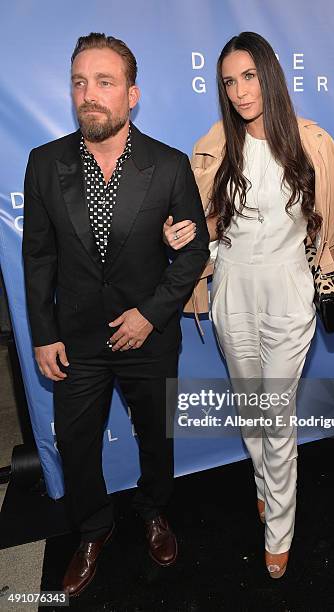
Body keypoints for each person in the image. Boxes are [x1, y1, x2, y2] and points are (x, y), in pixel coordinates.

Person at [164, 32, 334, 579]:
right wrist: (178, 234)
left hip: (289, 292)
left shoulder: (312, 143)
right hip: (232, 291)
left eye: (249, 76)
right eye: (229, 81)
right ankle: (264, 487)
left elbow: (331, 224)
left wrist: (328, 283)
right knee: (253, 412)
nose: (240, 91)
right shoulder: (213, 145)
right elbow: (197, 225)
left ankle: (280, 527)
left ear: (269, 75)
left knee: (276, 417)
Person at [22, 33, 209, 597]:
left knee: (156, 438)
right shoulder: (44, 163)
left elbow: (195, 251)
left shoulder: (170, 165)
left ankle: (154, 512)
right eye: (80, 82)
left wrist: (149, 315)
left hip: (148, 338)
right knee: (77, 446)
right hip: (75, 341)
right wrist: (44, 333)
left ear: (133, 94)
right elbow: (39, 256)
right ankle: (93, 529)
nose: (89, 94)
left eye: (104, 82)